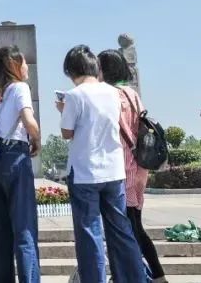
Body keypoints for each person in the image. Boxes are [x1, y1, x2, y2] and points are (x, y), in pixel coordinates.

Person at [57, 45, 145, 283]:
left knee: (90, 234)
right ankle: (133, 278)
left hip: (85, 173)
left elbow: (67, 132)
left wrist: (62, 110)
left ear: (71, 70)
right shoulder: (112, 93)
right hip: (114, 171)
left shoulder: (74, 96)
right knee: (121, 230)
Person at [99, 49, 167, 283]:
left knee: (125, 230)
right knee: (136, 226)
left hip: (123, 169)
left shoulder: (110, 95)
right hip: (140, 169)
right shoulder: (132, 94)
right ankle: (157, 275)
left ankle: (134, 276)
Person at [0, 45, 42, 283]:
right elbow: (28, 119)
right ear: (14, 65)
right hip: (15, 157)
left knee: (0, 231)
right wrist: (36, 139)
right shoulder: (19, 88)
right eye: (23, 62)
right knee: (24, 228)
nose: (26, 67)